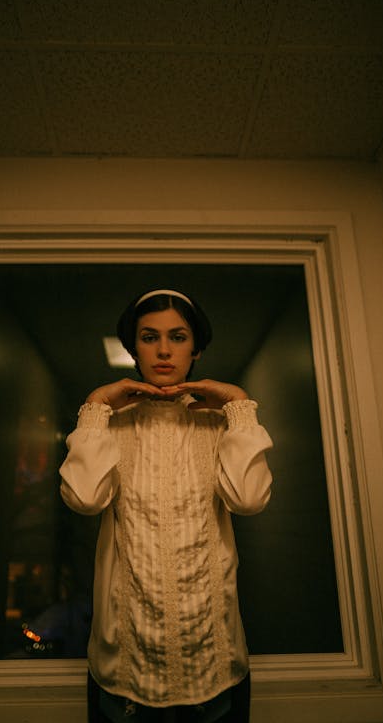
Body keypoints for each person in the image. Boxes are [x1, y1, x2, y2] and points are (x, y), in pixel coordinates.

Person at [59, 289, 273, 722]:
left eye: (177, 337)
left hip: (217, 669)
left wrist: (238, 406)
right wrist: (96, 407)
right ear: (133, 347)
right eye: (148, 337)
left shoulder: (219, 425)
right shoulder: (109, 427)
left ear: (195, 349)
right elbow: (84, 499)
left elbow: (248, 500)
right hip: (124, 676)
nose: (162, 350)